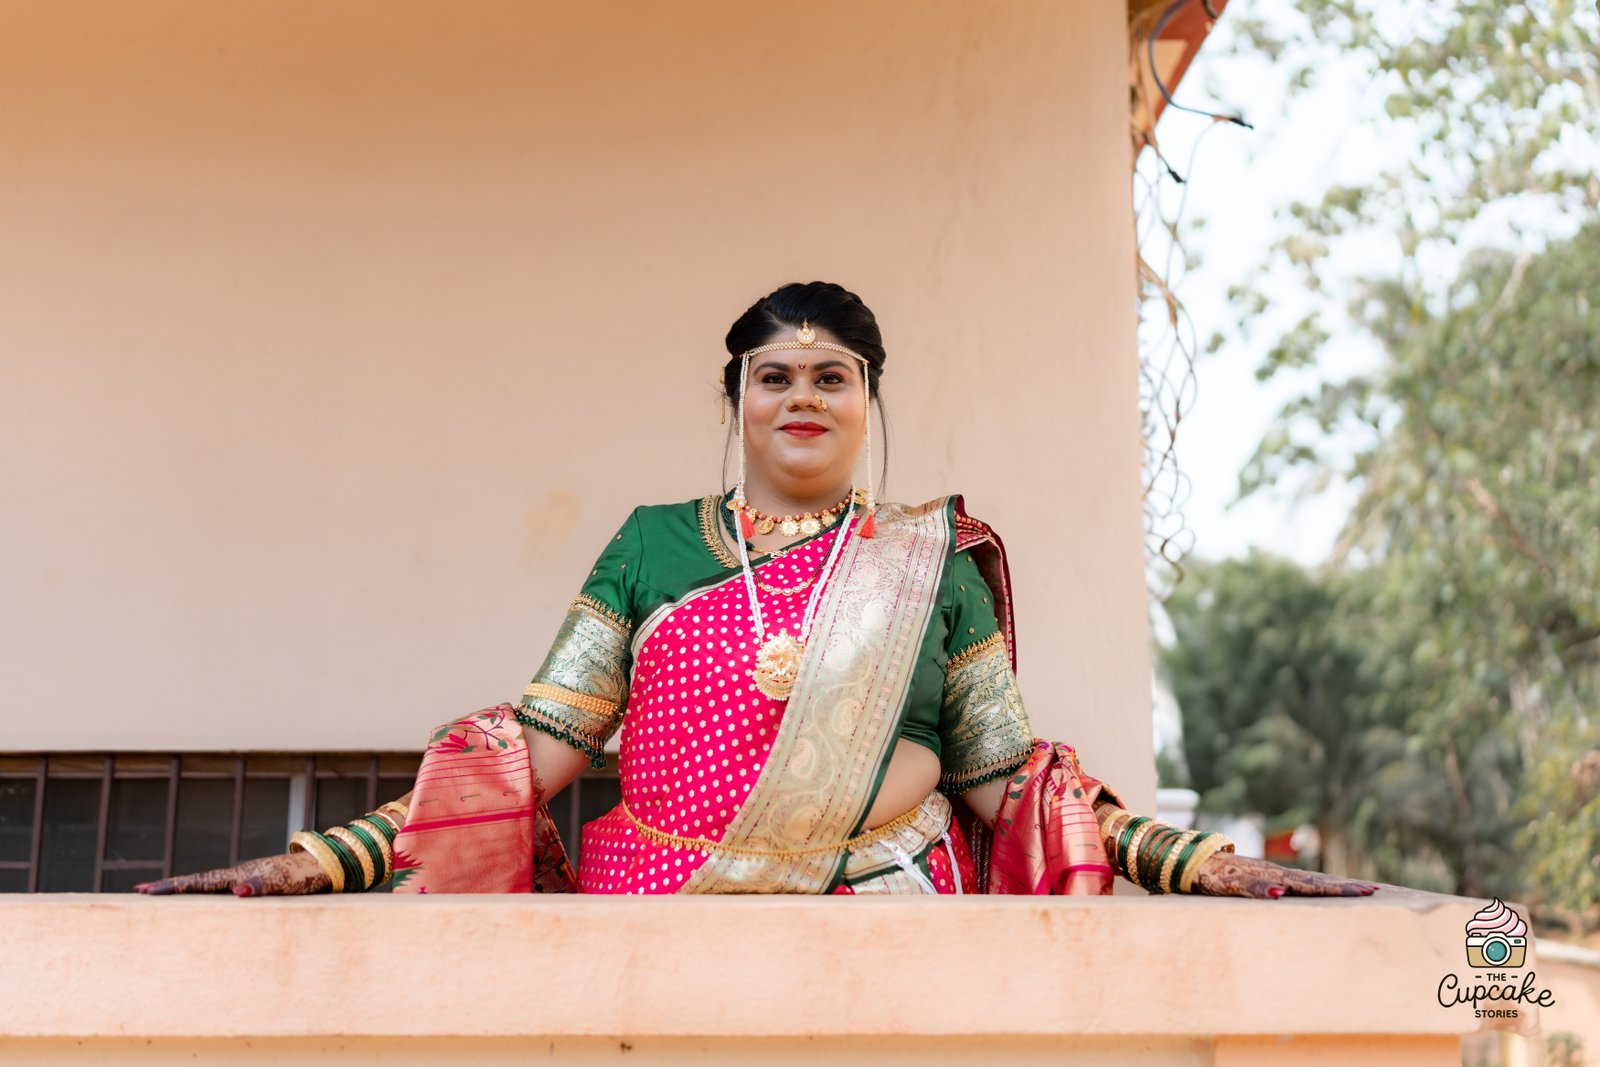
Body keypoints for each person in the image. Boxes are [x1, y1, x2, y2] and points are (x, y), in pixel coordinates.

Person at [138, 281, 1377, 900]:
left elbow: (1007, 779)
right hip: (663, 910)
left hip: (891, 907)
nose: (802, 397)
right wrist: (328, 857)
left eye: (832, 376)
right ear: (734, 397)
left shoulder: (933, 561)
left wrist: (1190, 861)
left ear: (869, 399)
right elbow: (540, 745)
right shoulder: (650, 545)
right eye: (773, 375)